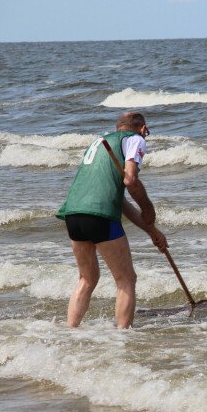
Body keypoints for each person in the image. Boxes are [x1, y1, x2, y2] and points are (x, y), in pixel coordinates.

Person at [56, 112, 167, 329]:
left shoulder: (101, 143)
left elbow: (120, 203)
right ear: (143, 129)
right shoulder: (135, 139)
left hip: (73, 214)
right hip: (100, 216)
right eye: (147, 132)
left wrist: (152, 231)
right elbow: (131, 180)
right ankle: (122, 338)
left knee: (87, 279)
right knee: (126, 279)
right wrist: (148, 209)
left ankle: (70, 331)